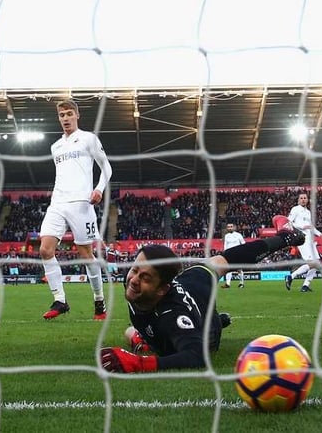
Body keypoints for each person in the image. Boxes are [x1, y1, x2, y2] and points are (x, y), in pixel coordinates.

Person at [98, 215, 304, 373]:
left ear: (162, 288)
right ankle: (286, 236)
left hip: (204, 328)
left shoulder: (173, 314)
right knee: (220, 262)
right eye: (135, 270)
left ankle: (286, 236)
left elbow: (197, 356)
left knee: (164, 342)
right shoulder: (138, 288)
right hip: (191, 283)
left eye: (145, 278)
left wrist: (139, 363)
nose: (134, 280)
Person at [40, 99, 112, 320]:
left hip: (82, 204)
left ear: (77, 115)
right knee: (45, 250)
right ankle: (60, 300)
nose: (65, 119)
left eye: (69, 114)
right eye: (61, 115)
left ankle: (99, 301)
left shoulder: (89, 139)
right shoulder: (56, 147)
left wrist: (99, 189)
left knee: (85, 255)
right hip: (58, 202)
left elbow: (106, 166)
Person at [284, 193, 322, 292]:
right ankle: (290, 276)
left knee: (317, 263)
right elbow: (288, 223)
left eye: (305, 198)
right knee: (313, 263)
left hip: (310, 239)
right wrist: (302, 227)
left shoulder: (308, 212)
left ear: (307, 200)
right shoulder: (295, 209)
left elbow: (311, 226)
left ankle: (305, 286)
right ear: (298, 200)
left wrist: (320, 234)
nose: (303, 200)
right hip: (302, 239)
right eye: (301, 198)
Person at [221, 223, 246, 288]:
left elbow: (243, 244)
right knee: (228, 269)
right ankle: (227, 284)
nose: (230, 228)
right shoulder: (226, 236)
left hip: (237, 254)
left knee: (239, 269)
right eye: (228, 227)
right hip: (229, 254)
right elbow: (225, 246)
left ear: (234, 227)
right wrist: (224, 253)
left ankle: (241, 283)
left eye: (231, 227)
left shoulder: (238, 235)